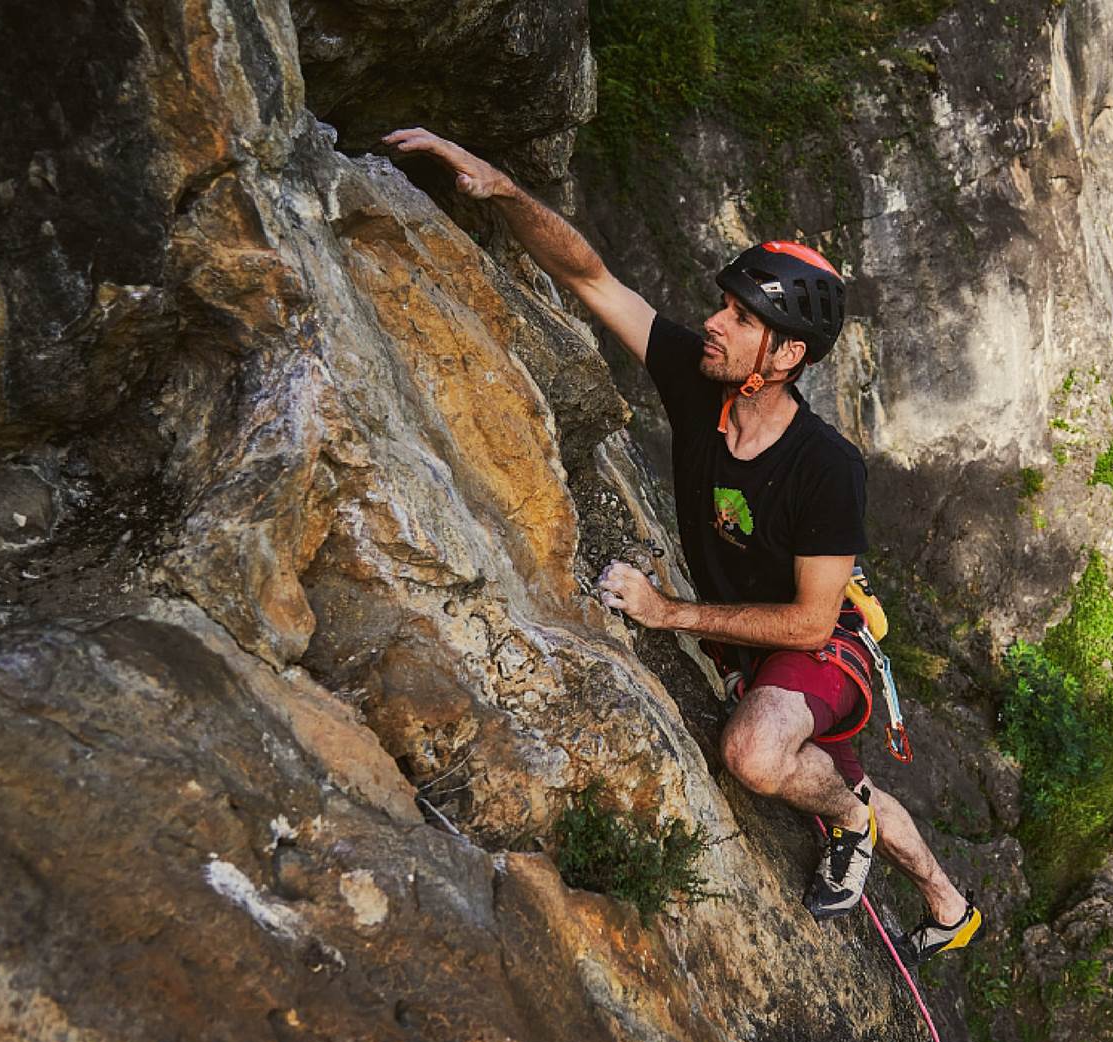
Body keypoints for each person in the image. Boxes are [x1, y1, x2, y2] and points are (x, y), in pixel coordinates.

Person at [381, 126, 981, 960]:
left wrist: (668, 613)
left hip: (817, 645)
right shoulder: (700, 384)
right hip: (752, 644)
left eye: (740, 319)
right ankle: (949, 905)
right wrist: (506, 191)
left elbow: (811, 623)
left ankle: (851, 822)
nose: (713, 324)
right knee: (827, 771)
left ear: (786, 354)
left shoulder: (825, 466)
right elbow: (591, 278)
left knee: (759, 754)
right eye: (724, 307)